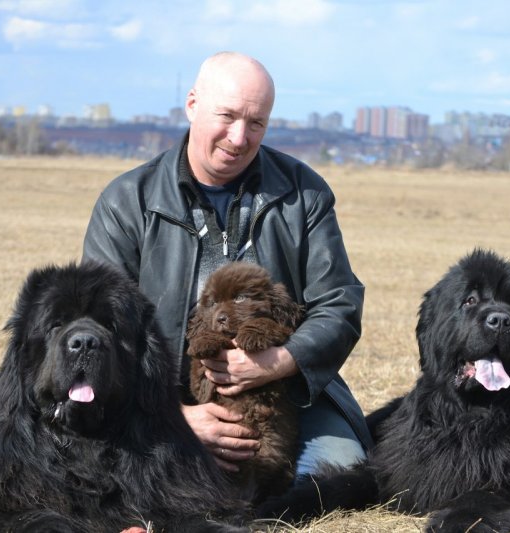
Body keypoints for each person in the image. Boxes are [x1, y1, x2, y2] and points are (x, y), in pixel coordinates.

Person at [82, 51, 373, 482]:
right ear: (193, 104)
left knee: (340, 471)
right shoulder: (127, 202)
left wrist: (279, 360)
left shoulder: (304, 193)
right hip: (161, 399)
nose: (239, 137)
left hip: (287, 398)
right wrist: (173, 417)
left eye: (256, 123)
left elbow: (339, 305)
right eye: (228, 116)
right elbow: (101, 328)